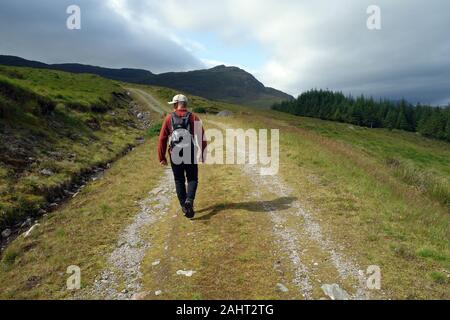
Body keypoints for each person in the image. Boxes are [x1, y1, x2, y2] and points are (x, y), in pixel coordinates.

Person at [157, 94, 207, 219]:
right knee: (192, 178)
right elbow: (202, 137)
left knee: (179, 180)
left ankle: (185, 207)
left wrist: (161, 157)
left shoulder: (169, 118)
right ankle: (189, 201)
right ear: (185, 104)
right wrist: (203, 154)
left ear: (175, 104)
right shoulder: (193, 117)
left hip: (175, 153)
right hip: (189, 152)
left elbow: (162, 139)